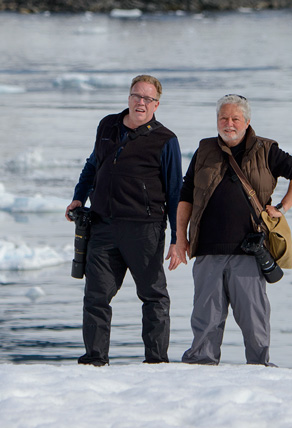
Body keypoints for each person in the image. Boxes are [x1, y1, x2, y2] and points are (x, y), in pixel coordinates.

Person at [175, 94, 292, 366]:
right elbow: (185, 195)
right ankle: (200, 368)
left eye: (235, 118)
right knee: (205, 319)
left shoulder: (267, 149)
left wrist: (282, 207)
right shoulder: (204, 150)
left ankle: (260, 368)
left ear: (247, 122)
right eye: (223, 118)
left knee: (254, 318)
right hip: (208, 249)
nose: (229, 123)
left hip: (249, 250)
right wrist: (180, 238)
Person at [65, 75, 183, 366]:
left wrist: (178, 239)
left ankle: (156, 362)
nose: (140, 103)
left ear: (156, 104)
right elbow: (93, 164)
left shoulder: (166, 140)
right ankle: (95, 359)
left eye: (147, 99)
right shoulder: (108, 125)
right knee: (96, 295)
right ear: (129, 97)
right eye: (136, 96)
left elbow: (175, 192)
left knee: (153, 296)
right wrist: (79, 196)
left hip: (145, 229)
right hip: (103, 226)